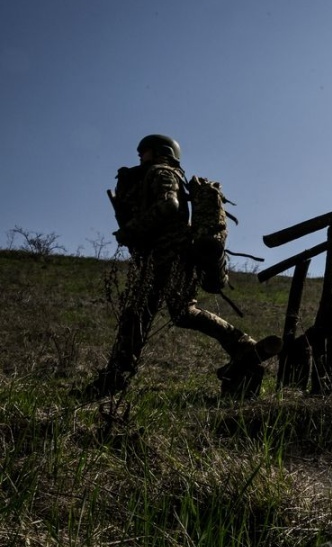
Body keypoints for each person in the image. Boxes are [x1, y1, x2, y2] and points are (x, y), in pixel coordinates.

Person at [83, 134, 281, 399]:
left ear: (160, 152)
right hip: (177, 258)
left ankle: (114, 379)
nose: (140, 156)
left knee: (137, 314)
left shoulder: (161, 172)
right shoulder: (164, 173)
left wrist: (132, 229)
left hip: (165, 258)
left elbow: (168, 203)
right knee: (183, 312)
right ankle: (242, 345)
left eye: (145, 151)